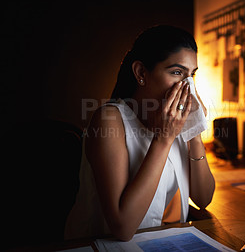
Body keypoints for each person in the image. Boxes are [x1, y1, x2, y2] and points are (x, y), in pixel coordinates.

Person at [65, 25, 215, 241]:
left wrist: (194, 129)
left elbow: (203, 198)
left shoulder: (175, 122)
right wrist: (164, 139)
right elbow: (123, 228)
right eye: (176, 72)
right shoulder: (109, 120)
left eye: (192, 75)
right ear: (141, 73)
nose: (187, 86)